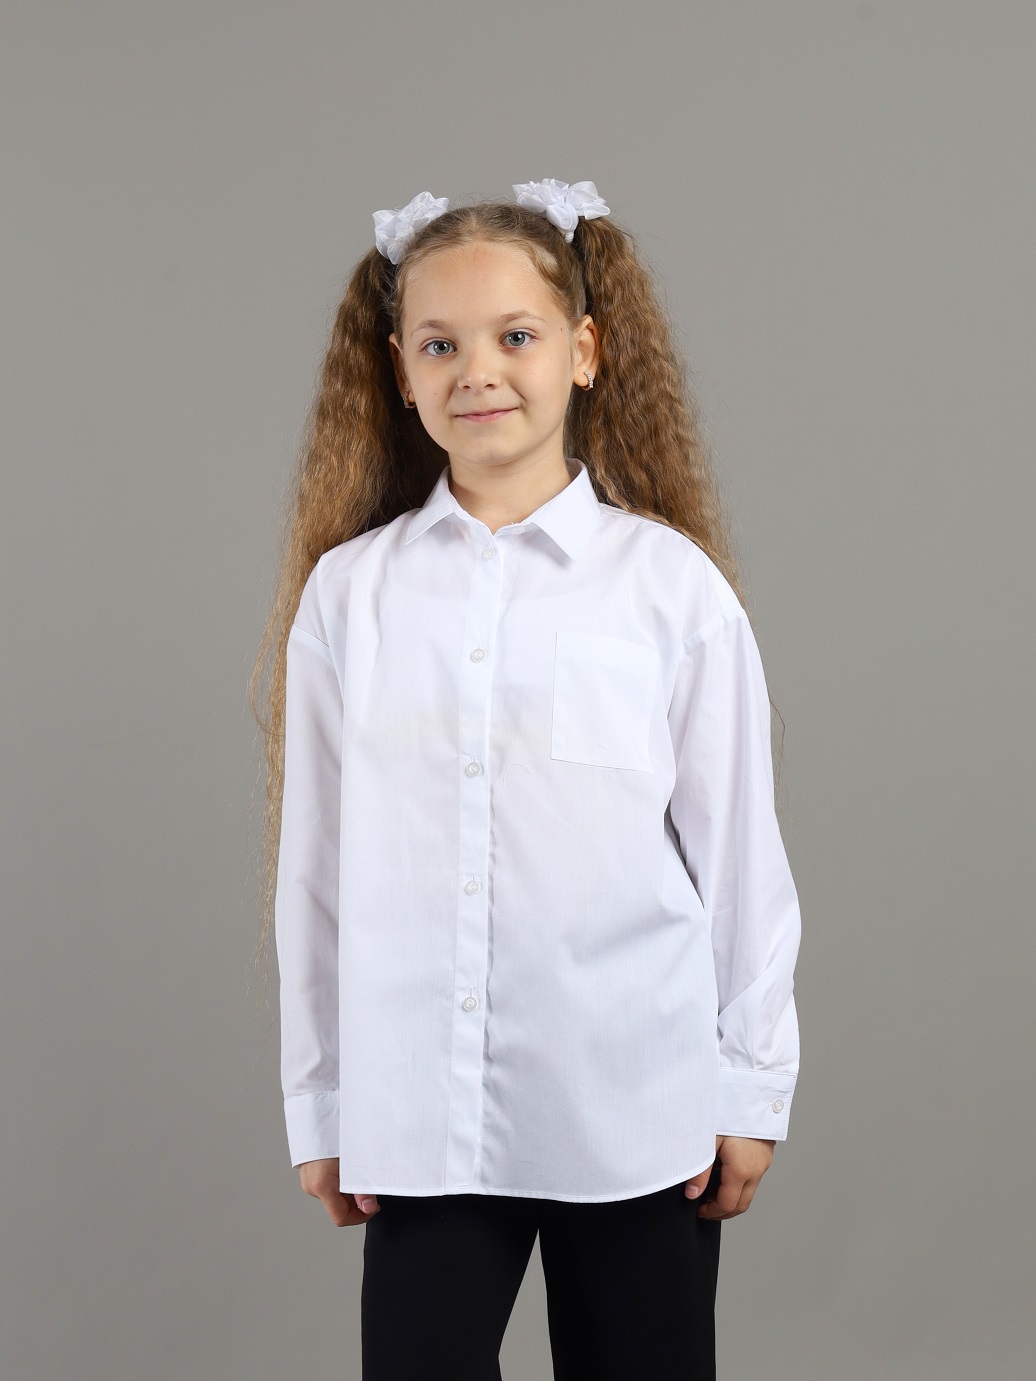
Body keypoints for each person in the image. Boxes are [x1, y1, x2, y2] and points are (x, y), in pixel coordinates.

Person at [250, 178, 802, 1380]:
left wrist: (751, 1085)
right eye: (439, 344)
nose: (478, 372)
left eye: (515, 336)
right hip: (422, 1117)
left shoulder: (669, 589)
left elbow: (738, 857)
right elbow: (317, 873)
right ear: (400, 373)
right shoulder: (351, 595)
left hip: (634, 1104)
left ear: (583, 352)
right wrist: (322, 1101)